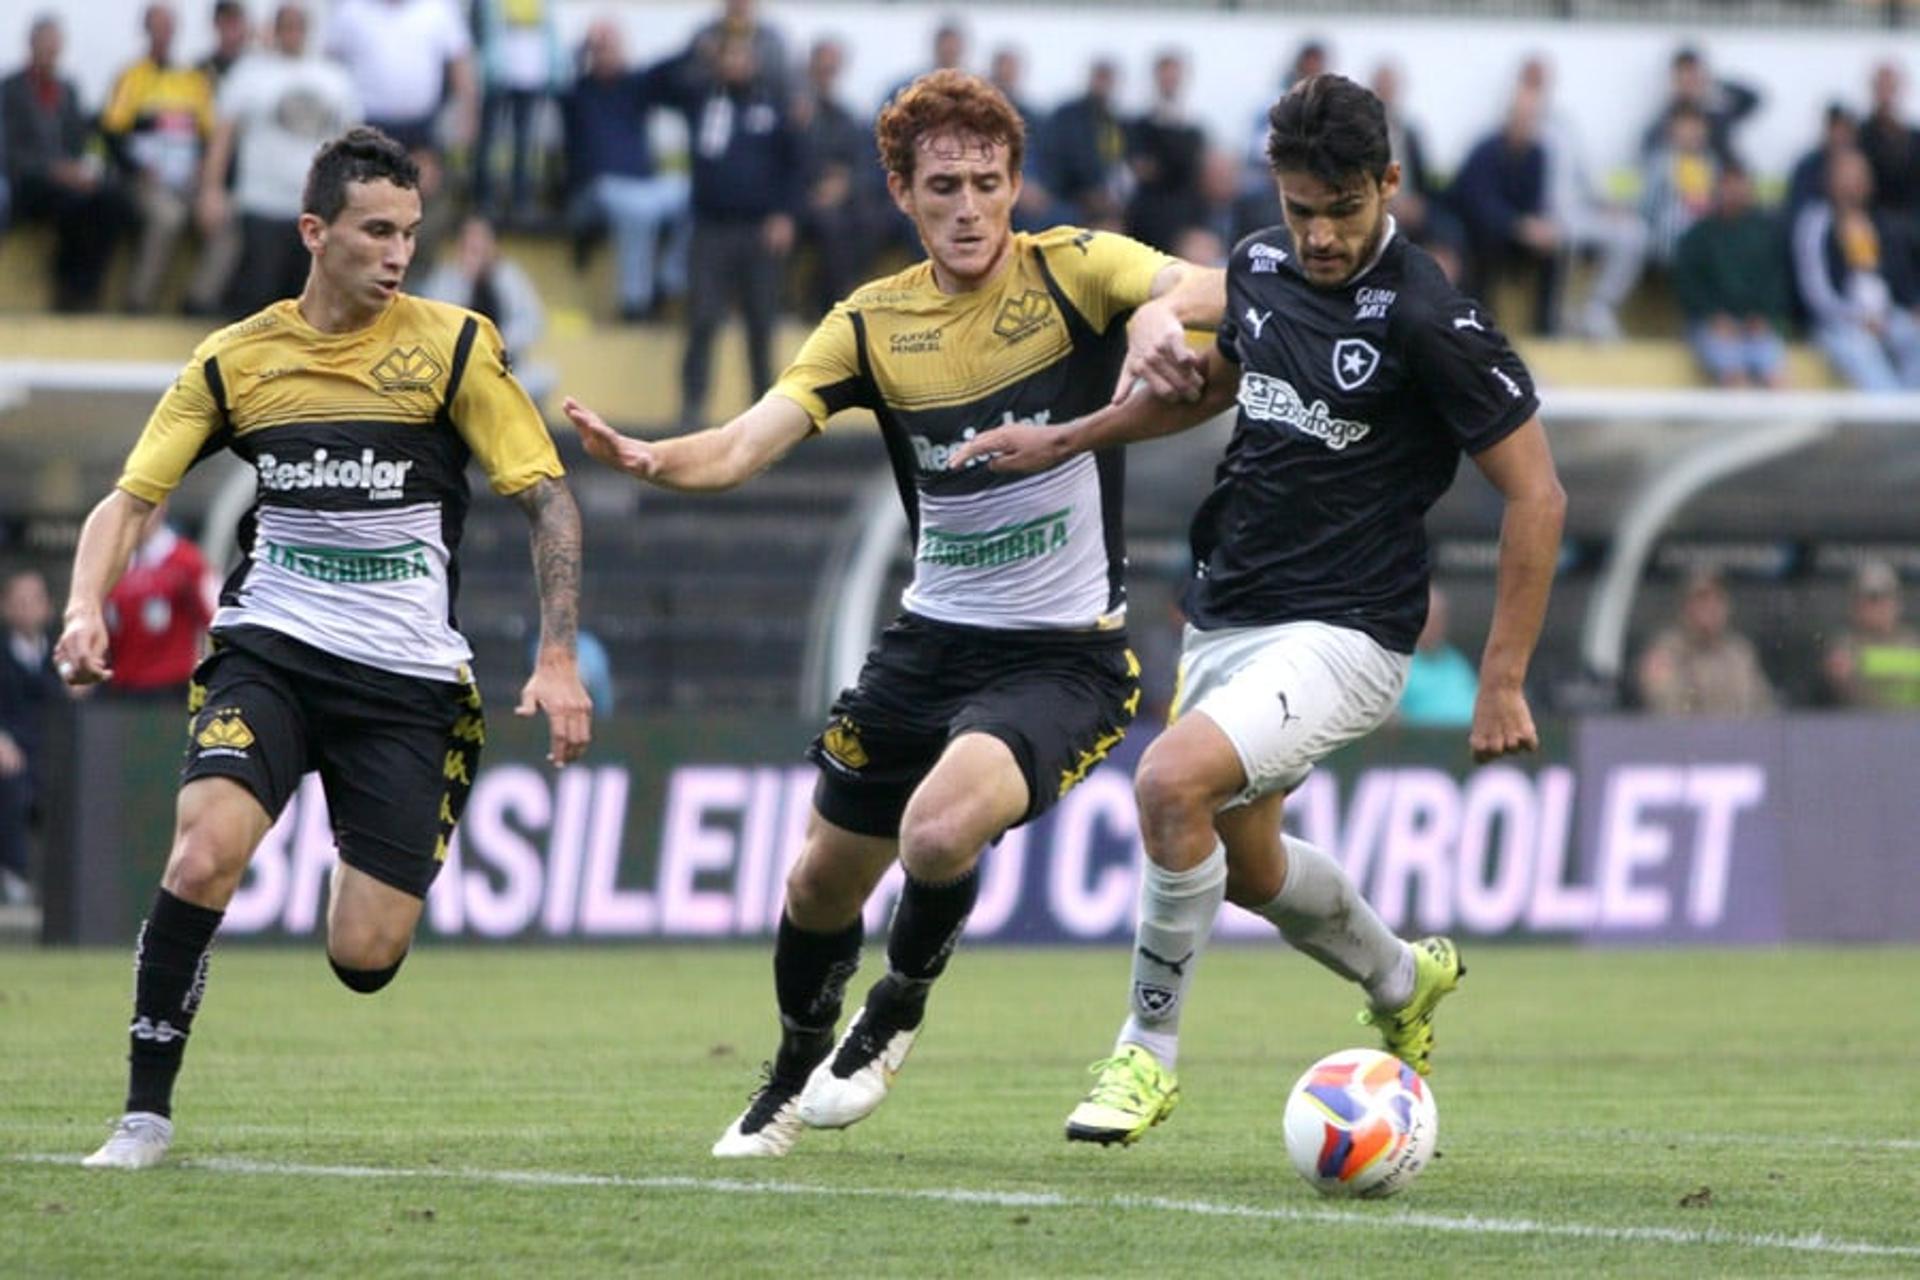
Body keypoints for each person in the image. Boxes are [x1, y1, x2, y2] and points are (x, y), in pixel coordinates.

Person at [563, 69, 1209, 1159]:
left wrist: (1155, 314)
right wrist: (648, 457)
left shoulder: (1080, 271)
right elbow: (739, 444)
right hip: (927, 644)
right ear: (903, 195)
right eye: (943, 185)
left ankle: (898, 1003)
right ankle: (783, 1073)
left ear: (1017, 186)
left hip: (1063, 658)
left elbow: (1214, 284)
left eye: (988, 182)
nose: (968, 206)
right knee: (818, 883)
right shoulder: (869, 324)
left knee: (940, 826)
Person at [955, 72, 1564, 1144]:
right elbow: (1214, 384)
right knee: (1247, 864)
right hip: (1228, 608)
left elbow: (1538, 493)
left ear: (1390, 183)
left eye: (1343, 208)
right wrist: (1066, 436)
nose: (1320, 235)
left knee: (1167, 780)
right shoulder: (1258, 265)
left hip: (1349, 626)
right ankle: (1400, 976)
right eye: (1300, 209)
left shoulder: (1432, 316)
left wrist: (1504, 676)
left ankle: (1144, 1056)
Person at [56, 126, 592, 1171]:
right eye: (376, 231)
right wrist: (87, 606)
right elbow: (130, 501)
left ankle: (347, 839)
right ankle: (143, 1113)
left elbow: (550, 501)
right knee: (205, 850)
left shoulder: (455, 346)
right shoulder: (236, 358)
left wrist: (557, 653)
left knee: (365, 953)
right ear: (315, 231)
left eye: (411, 232)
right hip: (273, 649)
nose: (398, 253)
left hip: (407, 680)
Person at [197, 3, 361, 317]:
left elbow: (352, 143)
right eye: (286, 25)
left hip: (317, 211)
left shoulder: (334, 77)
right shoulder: (250, 73)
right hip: (261, 205)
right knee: (257, 302)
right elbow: (223, 137)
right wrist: (211, 190)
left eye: (298, 26)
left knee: (310, 308)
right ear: (274, 29)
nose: (292, 33)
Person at [0, 15, 136, 311]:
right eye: (46, 46)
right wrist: (54, 171)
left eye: (55, 48)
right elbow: (10, 153)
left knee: (112, 201)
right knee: (74, 204)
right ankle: (67, 286)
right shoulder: (10, 90)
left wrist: (84, 169)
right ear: (32, 45)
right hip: (30, 184)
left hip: (68, 182)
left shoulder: (68, 91)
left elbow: (81, 142)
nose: (51, 54)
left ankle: (85, 290)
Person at [561, 20, 690, 322]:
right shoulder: (578, 92)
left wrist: (699, 43)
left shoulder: (633, 86)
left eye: (611, 45)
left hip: (642, 185)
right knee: (636, 207)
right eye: (599, 47)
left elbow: (666, 71)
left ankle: (668, 282)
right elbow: (557, 80)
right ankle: (634, 303)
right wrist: (584, 48)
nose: (605, 52)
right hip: (593, 190)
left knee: (696, 195)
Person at [101, 2, 218, 313]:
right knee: (168, 216)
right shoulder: (130, 77)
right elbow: (112, 134)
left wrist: (205, 178)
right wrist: (139, 169)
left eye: (168, 27)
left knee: (225, 219)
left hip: (188, 178)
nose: (163, 34)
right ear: (146, 30)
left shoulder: (193, 80)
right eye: (157, 26)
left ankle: (198, 300)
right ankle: (138, 300)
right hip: (145, 179)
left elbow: (209, 137)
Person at [1792, 148, 1920, 391]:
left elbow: (1896, 277)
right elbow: (1815, 289)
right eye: (1847, 175)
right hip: (1837, 323)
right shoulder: (1815, 223)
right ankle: (1891, 416)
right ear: (1830, 181)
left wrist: (1912, 305)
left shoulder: (1879, 223)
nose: (1855, 182)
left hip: (1884, 317)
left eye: (1861, 175)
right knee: (1863, 352)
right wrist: (1856, 317)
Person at [1673, 161, 1790, 389]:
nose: (1735, 191)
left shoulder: (1766, 233)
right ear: (1717, 188)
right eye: (1729, 184)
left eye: (1741, 184)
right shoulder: (1698, 236)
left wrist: (1763, 316)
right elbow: (1688, 286)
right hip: (1712, 325)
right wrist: (1713, 316)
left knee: (1777, 375)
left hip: (1757, 326)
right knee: (1734, 373)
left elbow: (1776, 281)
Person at [102, 504, 219, 698]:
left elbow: (217, 618)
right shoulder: (112, 563)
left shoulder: (188, 562)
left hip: (171, 692)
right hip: (121, 692)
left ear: (162, 507)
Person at [0, 570, 64, 906]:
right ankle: (16, 876)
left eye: (33, 601)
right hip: (12, 754)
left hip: (52, 753)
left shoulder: (64, 655)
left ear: (48, 608)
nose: (26, 609)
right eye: (18, 601)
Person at [1634, 570, 1773, 716]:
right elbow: (1667, 711)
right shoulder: (1664, 652)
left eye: (1717, 599)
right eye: (1702, 600)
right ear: (1685, 607)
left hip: (1740, 737)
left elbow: (1763, 708)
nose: (1710, 607)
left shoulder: (1740, 653)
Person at [1822, 560, 1920, 710]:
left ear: (1897, 602)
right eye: (1870, 599)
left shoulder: (1913, 640)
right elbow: (1839, 672)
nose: (1877, 607)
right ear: (1855, 605)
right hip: (1861, 726)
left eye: (1884, 598)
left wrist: (1862, 663)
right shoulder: (1844, 643)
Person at [1397, 585, 1479, 728]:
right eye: (1430, 618)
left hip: (1468, 741)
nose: (1436, 625)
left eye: (1440, 618)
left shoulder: (1455, 659)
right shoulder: (1397, 663)